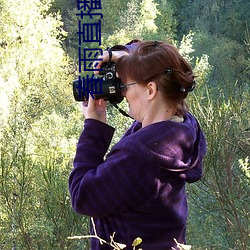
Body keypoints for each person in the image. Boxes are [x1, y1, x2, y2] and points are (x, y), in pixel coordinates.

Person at [69, 40, 207, 250]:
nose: (123, 93)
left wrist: (94, 128)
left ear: (151, 90)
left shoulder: (141, 157)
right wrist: (123, 56)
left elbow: (82, 196)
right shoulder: (182, 127)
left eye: (125, 85)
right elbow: (156, 57)